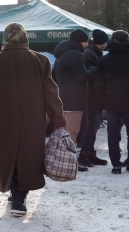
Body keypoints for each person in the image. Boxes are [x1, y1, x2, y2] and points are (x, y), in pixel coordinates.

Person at [0, 23, 66, 217]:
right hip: (32, 120)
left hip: (3, 121)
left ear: (5, 38)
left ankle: (15, 193)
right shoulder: (40, 60)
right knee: (28, 156)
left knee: (8, 155)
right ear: (24, 38)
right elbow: (51, 93)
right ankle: (19, 196)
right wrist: (58, 119)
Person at [95, 30, 129, 174]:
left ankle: (116, 165)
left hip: (112, 103)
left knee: (112, 134)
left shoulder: (105, 60)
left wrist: (103, 102)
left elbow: (99, 84)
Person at [53, 29, 95, 171]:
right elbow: (81, 77)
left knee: (63, 132)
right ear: (81, 41)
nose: (87, 45)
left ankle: (62, 161)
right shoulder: (76, 54)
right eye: (85, 42)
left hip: (63, 98)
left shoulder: (60, 54)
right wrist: (93, 71)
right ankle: (70, 164)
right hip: (74, 99)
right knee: (72, 132)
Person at [78, 29, 109, 167]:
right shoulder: (90, 54)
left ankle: (89, 153)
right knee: (91, 126)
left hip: (95, 96)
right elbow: (93, 77)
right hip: (92, 97)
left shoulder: (94, 53)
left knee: (94, 126)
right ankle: (84, 154)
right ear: (102, 43)